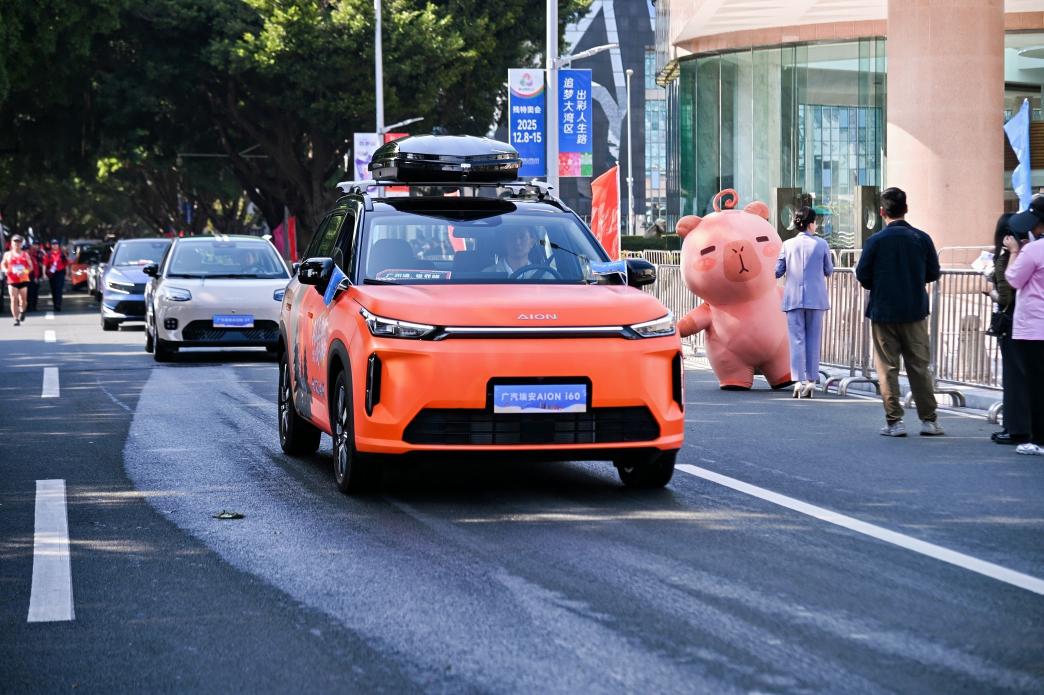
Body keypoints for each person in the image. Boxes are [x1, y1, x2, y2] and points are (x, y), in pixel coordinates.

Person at [855, 187, 944, 437]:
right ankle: (929, 420)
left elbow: (863, 275)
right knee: (919, 366)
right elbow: (933, 273)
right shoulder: (922, 238)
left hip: (883, 311)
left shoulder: (875, 241)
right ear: (906, 208)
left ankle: (894, 421)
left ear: (881, 212)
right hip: (914, 310)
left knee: (887, 368)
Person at [775, 206, 833, 398]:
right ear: (811, 224)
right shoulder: (822, 244)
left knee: (796, 340)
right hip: (815, 298)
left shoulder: (787, 244)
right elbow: (828, 270)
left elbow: (778, 271)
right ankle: (811, 381)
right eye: (815, 222)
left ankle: (798, 381)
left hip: (793, 298)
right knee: (813, 339)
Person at [983, 212, 1031, 445]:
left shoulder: (1007, 259)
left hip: (1013, 321)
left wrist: (990, 291)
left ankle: (1016, 428)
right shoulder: (1031, 253)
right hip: (1031, 322)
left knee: (1014, 378)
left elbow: (1005, 295)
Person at [1003, 198, 1044, 456]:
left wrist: (1014, 253)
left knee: (1037, 386)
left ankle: (1038, 439)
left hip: (1034, 326)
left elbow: (1013, 279)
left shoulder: (1033, 250)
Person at [1, 235, 33, 325]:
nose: (17, 243)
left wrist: (24, 272)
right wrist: (5, 270)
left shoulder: (25, 254)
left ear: (21, 243)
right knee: (13, 299)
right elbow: (3, 264)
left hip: (23, 279)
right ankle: (16, 319)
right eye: (15, 241)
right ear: (11, 243)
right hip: (12, 280)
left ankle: (22, 311)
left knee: (23, 300)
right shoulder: (7, 254)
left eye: (19, 242)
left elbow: (31, 267)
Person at [44, 239, 68, 311]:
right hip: (52, 273)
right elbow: (44, 265)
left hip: (60, 272)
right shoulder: (48, 254)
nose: (55, 245)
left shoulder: (62, 254)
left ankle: (58, 305)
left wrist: (67, 274)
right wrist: (44, 274)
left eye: (56, 244)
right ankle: (55, 304)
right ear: (51, 245)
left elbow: (66, 264)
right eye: (53, 244)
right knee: (53, 289)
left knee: (59, 289)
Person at [26, 240, 44, 312]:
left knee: (34, 292)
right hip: (25, 276)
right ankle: (27, 306)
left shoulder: (39, 254)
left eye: (37, 244)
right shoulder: (24, 256)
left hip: (33, 276)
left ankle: (33, 306)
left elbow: (37, 267)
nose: (36, 246)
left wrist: (36, 277)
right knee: (27, 292)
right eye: (25, 249)